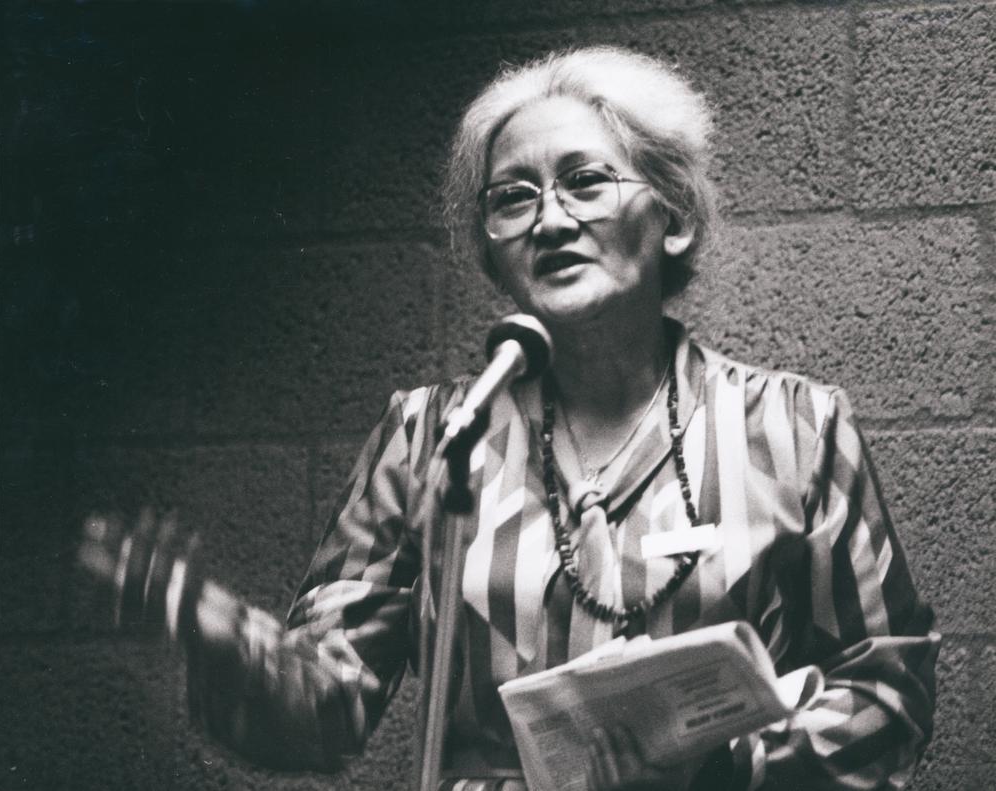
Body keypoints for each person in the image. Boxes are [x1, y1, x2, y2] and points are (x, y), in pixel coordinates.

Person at [86, 46, 939, 790]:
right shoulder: (430, 436)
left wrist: (716, 769)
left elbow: (889, 689)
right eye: (513, 198)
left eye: (586, 182)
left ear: (674, 217)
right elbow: (327, 709)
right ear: (492, 251)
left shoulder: (796, 428)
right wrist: (222, 640)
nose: (550, 220)